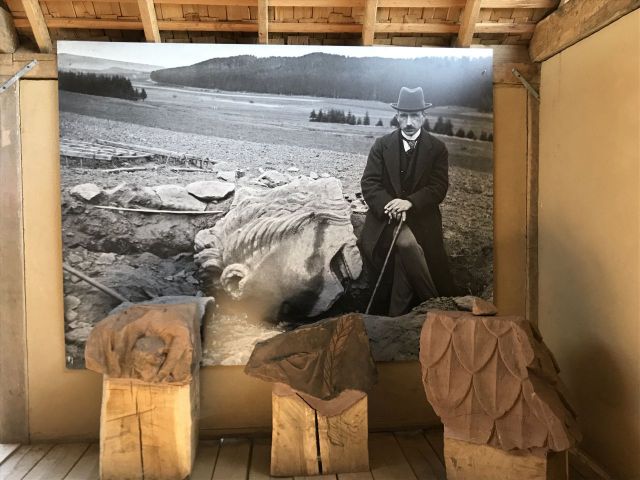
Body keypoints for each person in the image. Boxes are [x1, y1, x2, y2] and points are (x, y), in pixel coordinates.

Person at [360, 86, 455, 316]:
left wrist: (410, 202)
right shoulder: (381, 146)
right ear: (397, 116)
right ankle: (434, 304)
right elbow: (370, 183)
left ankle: (396, 316)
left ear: (423, 116)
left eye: (414, 115)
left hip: (423, 221)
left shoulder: (437, 149)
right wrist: (391, 205)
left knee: (406, 255)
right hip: (386, 222)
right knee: (405, 244)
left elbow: (438, 187)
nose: (409, 122)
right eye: (404, 115)